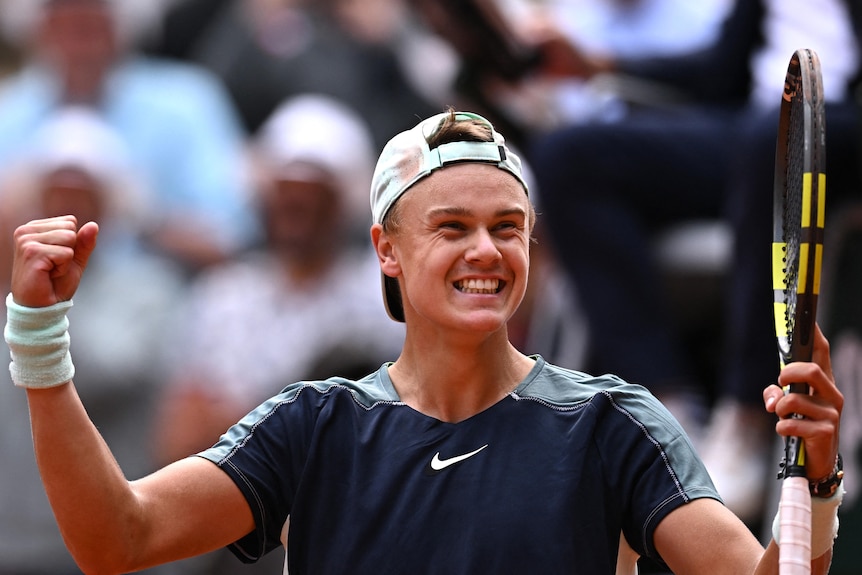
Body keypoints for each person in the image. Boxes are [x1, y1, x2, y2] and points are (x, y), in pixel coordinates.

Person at [4, 110, 844, 574]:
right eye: (453, 226)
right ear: (387, 249)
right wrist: (39, 341)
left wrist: (816, 481)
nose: (487, 250)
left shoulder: (613, 422)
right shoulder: (312, 426)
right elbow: (116, 537)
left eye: (508, 227)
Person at [522, 0, 862, 524]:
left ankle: (749, 415)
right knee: (569, 158)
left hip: (833, 133)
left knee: (776, 131)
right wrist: (598, 65)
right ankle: (665, 412)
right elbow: (720, 70)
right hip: (753, 130)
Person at [0, 0, 260, 272]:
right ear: (38, 29)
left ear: (122, 25)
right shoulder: (7, 111)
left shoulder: (186, 102)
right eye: (63, 20)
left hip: (165, 302)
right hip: (25, 299)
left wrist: (147, 222)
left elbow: (232, 236)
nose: (78, 38)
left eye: (91, 23)